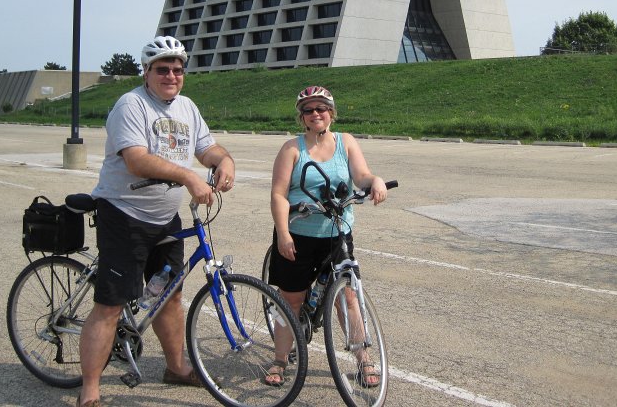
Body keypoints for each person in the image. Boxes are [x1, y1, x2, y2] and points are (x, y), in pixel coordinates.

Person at [77, 36, 236, 407]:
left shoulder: (187, 107)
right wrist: (189, 177)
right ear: (146, 72)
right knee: (111, 305)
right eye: (162, 69)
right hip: (123, 214)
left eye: (177, 70)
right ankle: (90, 391)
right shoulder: (130, 105)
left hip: (165, 219)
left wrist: (223, 161)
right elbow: (136, 159)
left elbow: (206, 148)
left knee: (170, 295)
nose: (171, 75)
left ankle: (176, 367)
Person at [266, 85, 388, 388]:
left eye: (321, 108)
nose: (315, 113)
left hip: (337, 233)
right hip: (298, 234)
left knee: (347, 296)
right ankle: (281, 359)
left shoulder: (346, 142)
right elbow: (279, 194)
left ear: (331, 113)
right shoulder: (292, 149)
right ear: (302, 117)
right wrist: (283, 234)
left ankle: (363, 359)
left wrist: (375, 181)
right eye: (309, 110)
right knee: (290, 300)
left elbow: (360, 175)